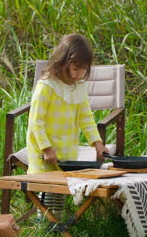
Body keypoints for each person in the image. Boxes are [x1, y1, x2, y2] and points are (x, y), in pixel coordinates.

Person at [27, 33, 110, 220]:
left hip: (66, 151)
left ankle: (58, 226)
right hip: (45, 152)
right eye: (75, 69)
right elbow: (35, 121)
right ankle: (45, 229)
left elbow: (86, 118)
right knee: (47, 193)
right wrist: (46, 147)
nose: (78, 74)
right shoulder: (47, 86)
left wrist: (97, 143)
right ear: (62, 62)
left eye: (83, 70)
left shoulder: (79, 87)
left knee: (61, 193)